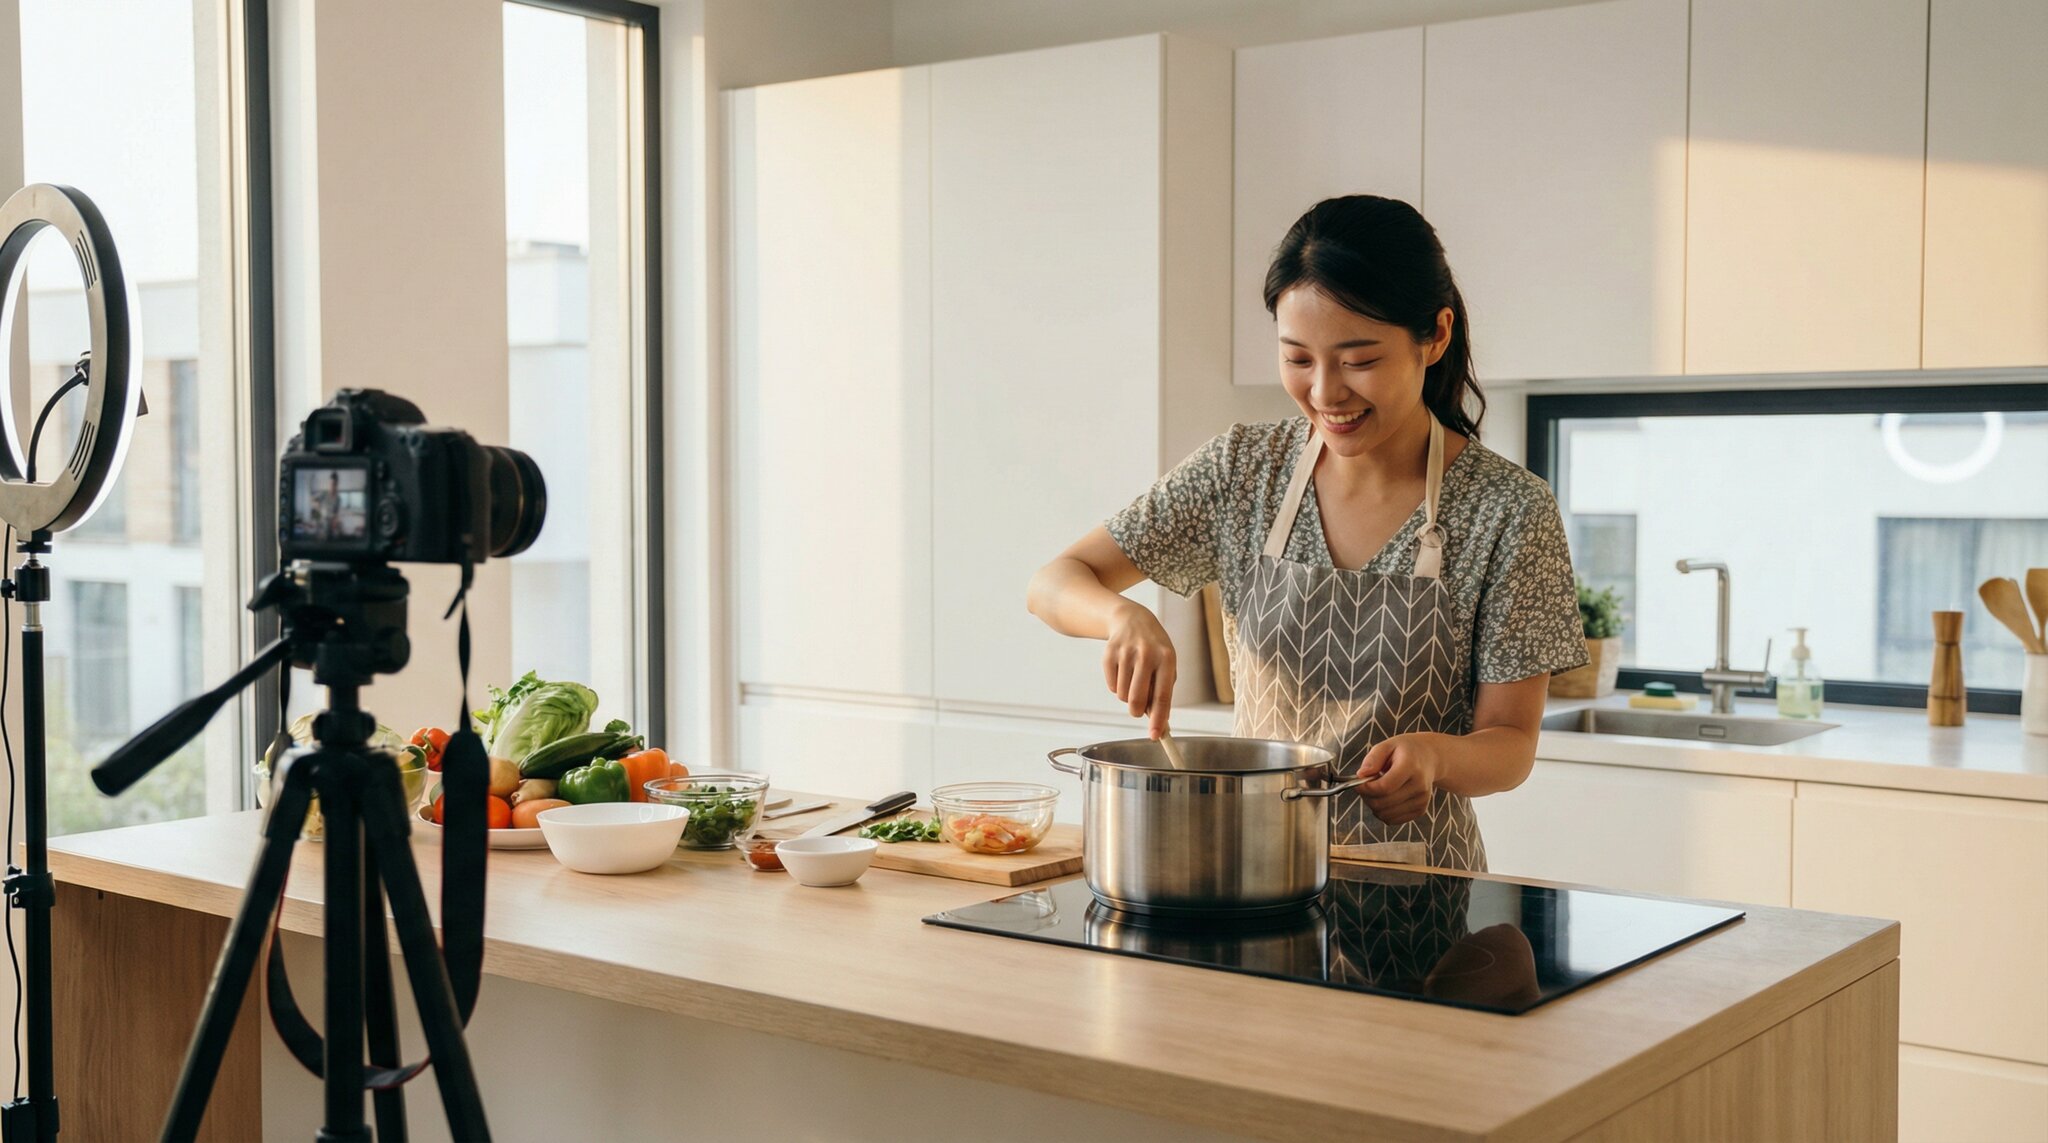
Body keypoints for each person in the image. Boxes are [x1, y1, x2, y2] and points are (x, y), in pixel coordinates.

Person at [1025, 195, 1586, 870]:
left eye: (1358, 359)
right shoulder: (1242, 469)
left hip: (1417, 893)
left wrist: (1436, 757)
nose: (1326, 393)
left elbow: (1510, 742)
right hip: (1246, 872)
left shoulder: (1509, 508)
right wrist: (1120, 616)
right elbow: (1054, 582)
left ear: (1435, 335)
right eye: (1298, 358)